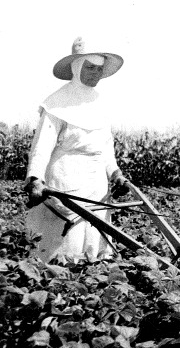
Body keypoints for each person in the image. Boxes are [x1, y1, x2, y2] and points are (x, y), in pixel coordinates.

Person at [22, 37, 128, 262]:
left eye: (100, 69)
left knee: (95, 231)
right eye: (90, 67)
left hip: (96, 181)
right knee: (66, 235)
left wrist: (115, 173)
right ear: (77, 67)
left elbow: (105, 147)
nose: (95, 73)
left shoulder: (101, 103)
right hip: (65, 178)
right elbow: (41, 147)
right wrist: (35, 179)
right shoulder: (57, 103)